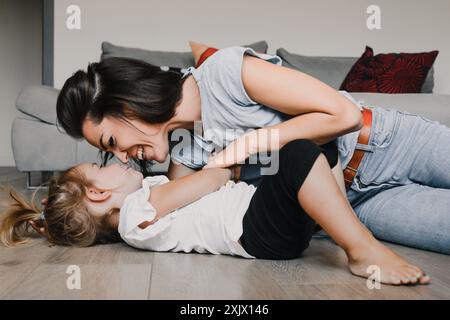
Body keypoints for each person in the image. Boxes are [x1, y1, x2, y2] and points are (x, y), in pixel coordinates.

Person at [53, 46, 450, 255]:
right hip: (358, 204)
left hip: (385, 142)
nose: (122, 156)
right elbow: (180, 210)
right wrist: (81, 218)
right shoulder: (182, 156)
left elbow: (342, 114)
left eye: (111, 143)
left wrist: (243, 148)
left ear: (127, 106)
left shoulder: (224, 73)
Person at [1, 140, 430, 285]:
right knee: (298, 152)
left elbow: (207, 183)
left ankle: (338, 226)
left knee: (319, 145)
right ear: (97, 195)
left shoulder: (144, 201)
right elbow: (210, 181)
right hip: (255, 229)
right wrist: (230, 154)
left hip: (259, 220)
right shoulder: (135, 214)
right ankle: (360, 249)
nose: (115, 162)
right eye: (103, 165)